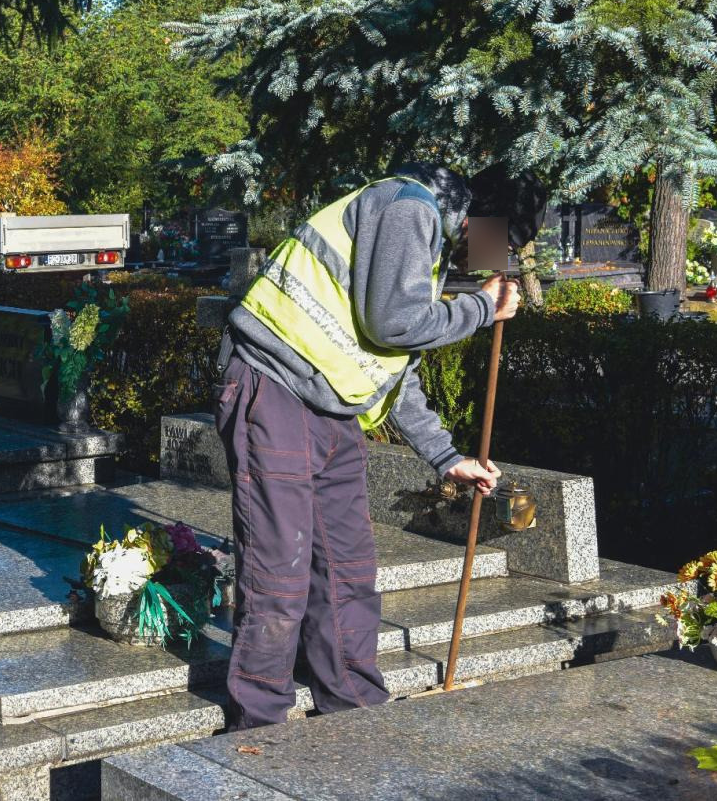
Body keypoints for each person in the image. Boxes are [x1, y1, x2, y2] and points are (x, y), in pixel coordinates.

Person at [215, 162, 546, 731]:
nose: (492, 262)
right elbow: (394, 323)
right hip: (272, 386)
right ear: (481, 218)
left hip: (332, 409)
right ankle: (259, 724)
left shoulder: (433, 239)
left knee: (347, 569)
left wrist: (447, 457)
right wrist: (481, 307)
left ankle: (355, 707)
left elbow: (392, 367)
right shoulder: (408, 208)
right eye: (500, 243)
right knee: (281, 569)